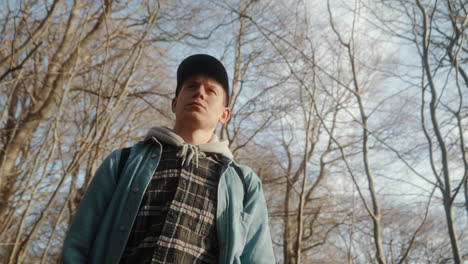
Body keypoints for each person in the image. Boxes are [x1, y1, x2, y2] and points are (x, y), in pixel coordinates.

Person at [61, 54, 275, 264]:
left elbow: (257, 258)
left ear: (224, 115)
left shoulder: (243, 183)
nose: (200, 93)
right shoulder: (124, 162)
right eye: (192, 86)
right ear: (174, 103)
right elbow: (79, 242)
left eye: (211, 90)